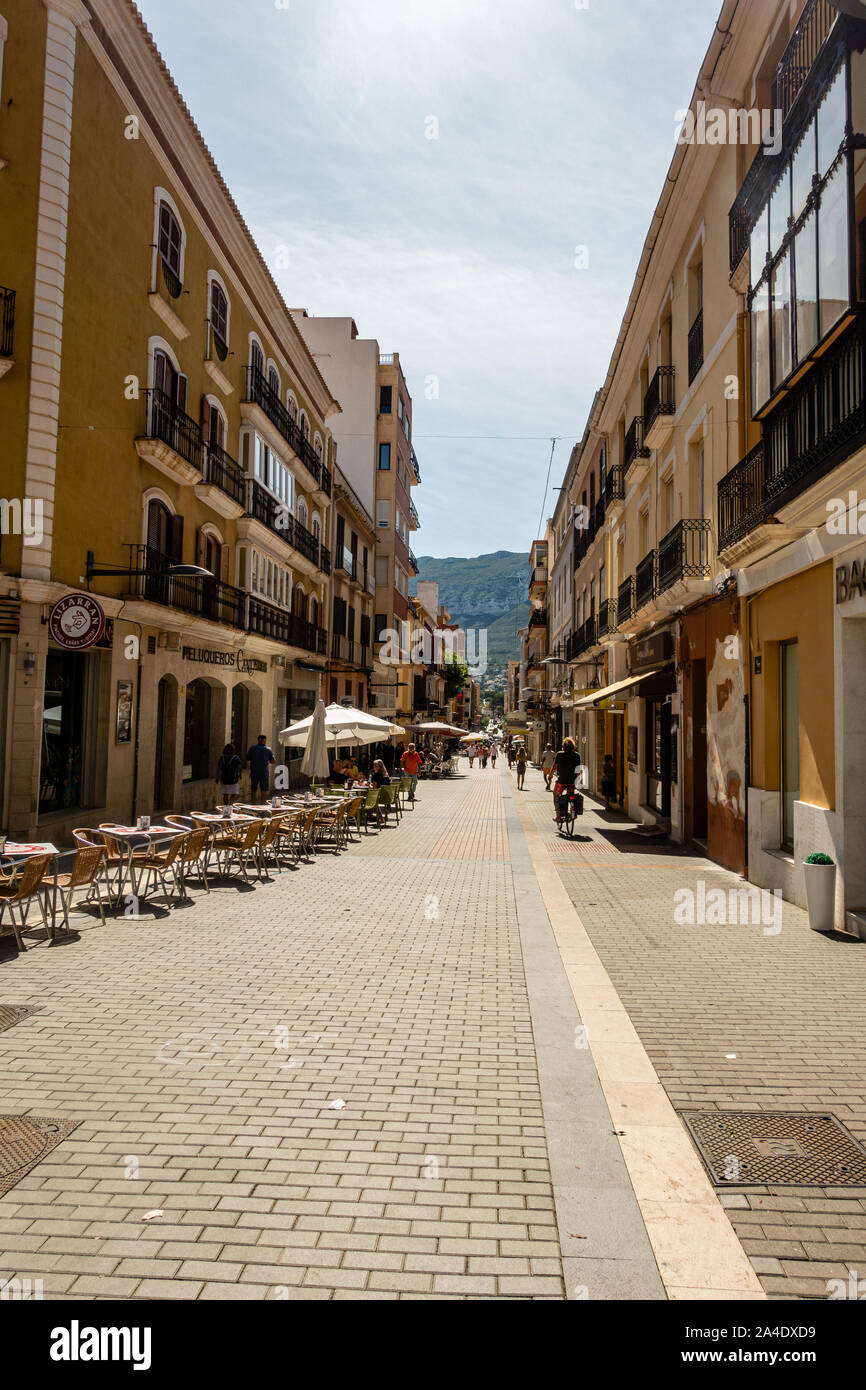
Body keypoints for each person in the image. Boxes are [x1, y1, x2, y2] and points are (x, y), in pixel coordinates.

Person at [552, 737, 582, 825]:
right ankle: (574, 813)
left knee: (556, 795)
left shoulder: (559, 754)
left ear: (563, 746)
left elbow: (554, 767)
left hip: (562, 781)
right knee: (571, 796)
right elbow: (578, 769)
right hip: (572, 782)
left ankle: (558, 816)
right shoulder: (577, 755)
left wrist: (550, 774)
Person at [246, 734, 275, 804]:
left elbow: (247, 758)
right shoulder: (268, 749)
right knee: (264, 790)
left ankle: (253, 804)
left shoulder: (252, 748)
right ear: (265, 741)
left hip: (254, 772)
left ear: (258, 740)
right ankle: (263, 805)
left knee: (253, 789)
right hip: (264, 773)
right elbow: (273, 761)